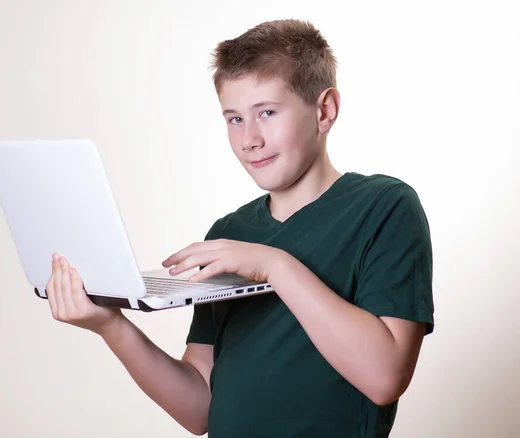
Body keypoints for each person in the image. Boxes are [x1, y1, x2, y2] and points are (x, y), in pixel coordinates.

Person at [45, 19, 435, 438]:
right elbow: (200, 410)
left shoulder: (384, 207)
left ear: (324, 111)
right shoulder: (229, 233)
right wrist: (110, 324)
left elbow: (384, 377)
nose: (249, 139)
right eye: (233, 119)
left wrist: (274, 266)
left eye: (266, 113)